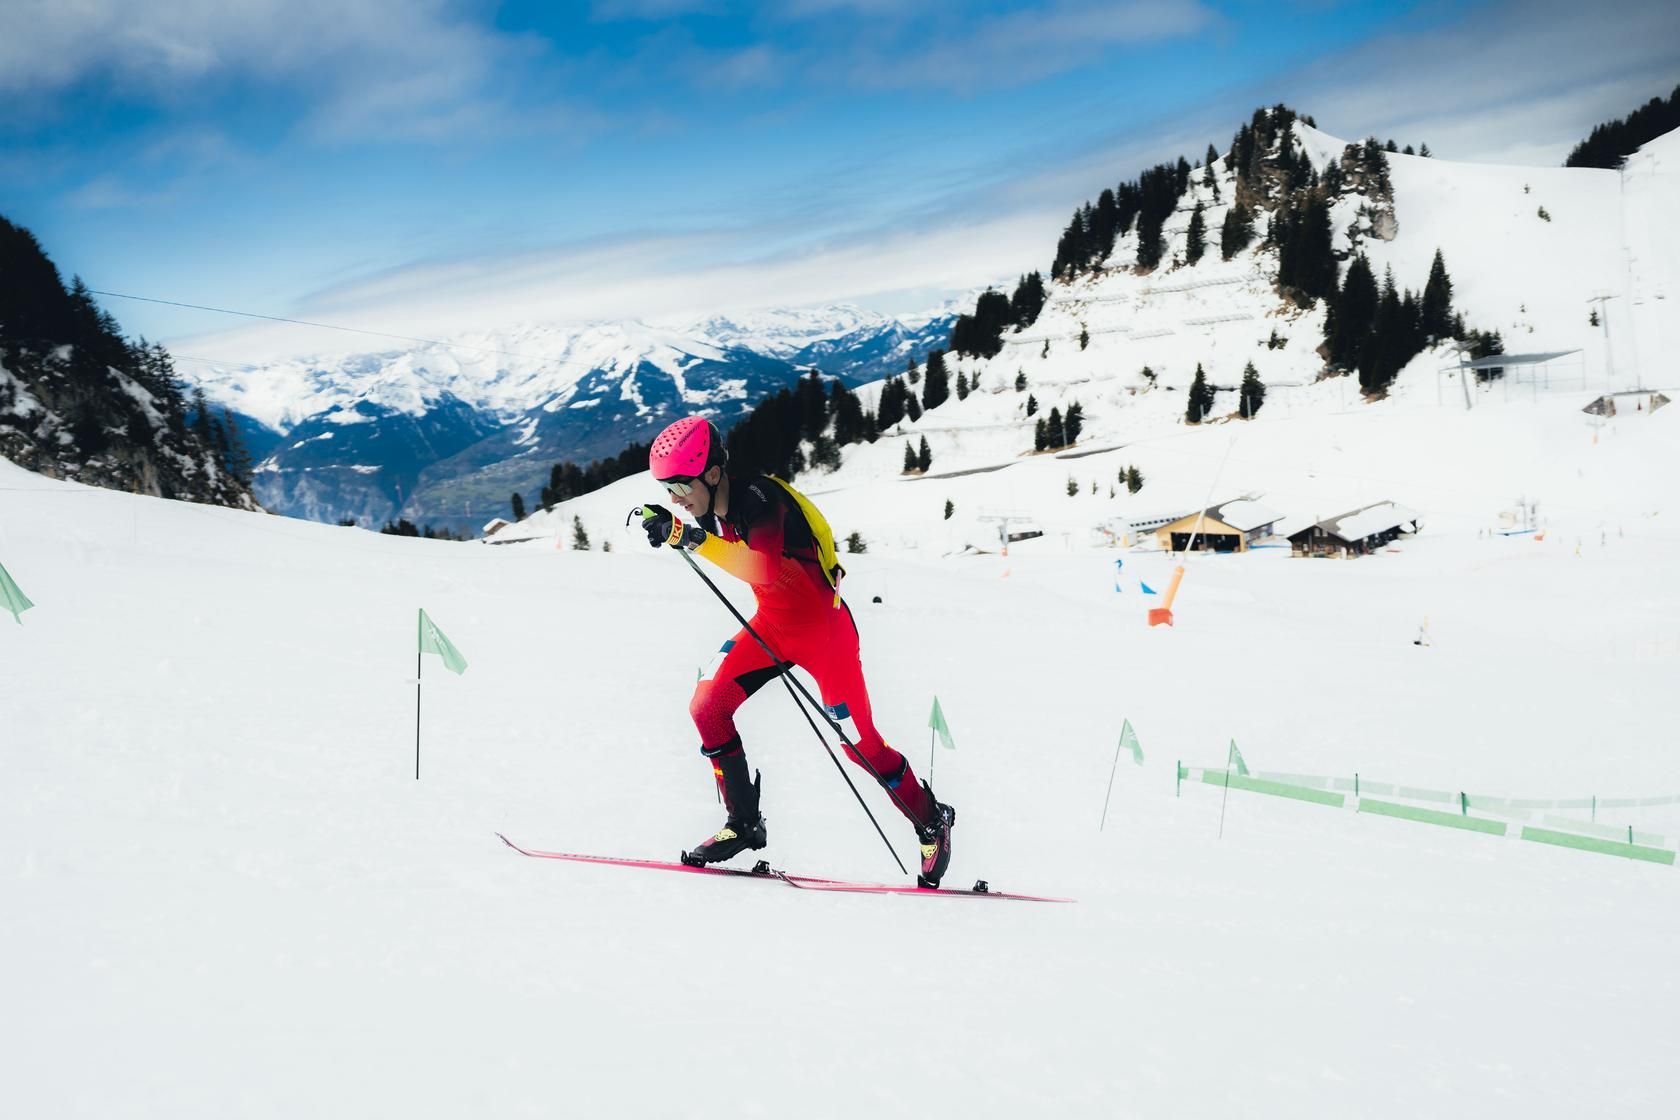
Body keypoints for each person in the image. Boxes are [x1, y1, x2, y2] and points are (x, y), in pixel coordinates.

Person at [634, 416, 956, 888]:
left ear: (714, 473)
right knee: (707, 707)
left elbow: (762, 569)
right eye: (667, 490)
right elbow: (742, 564)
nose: (676, 499)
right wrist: (677, 527)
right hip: (772, 626)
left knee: (861, 747)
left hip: (825, 634)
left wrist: (686, 536)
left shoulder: (761, 500)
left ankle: (931, 819)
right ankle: (743, 823)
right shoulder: (706, 510)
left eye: (681, 486)